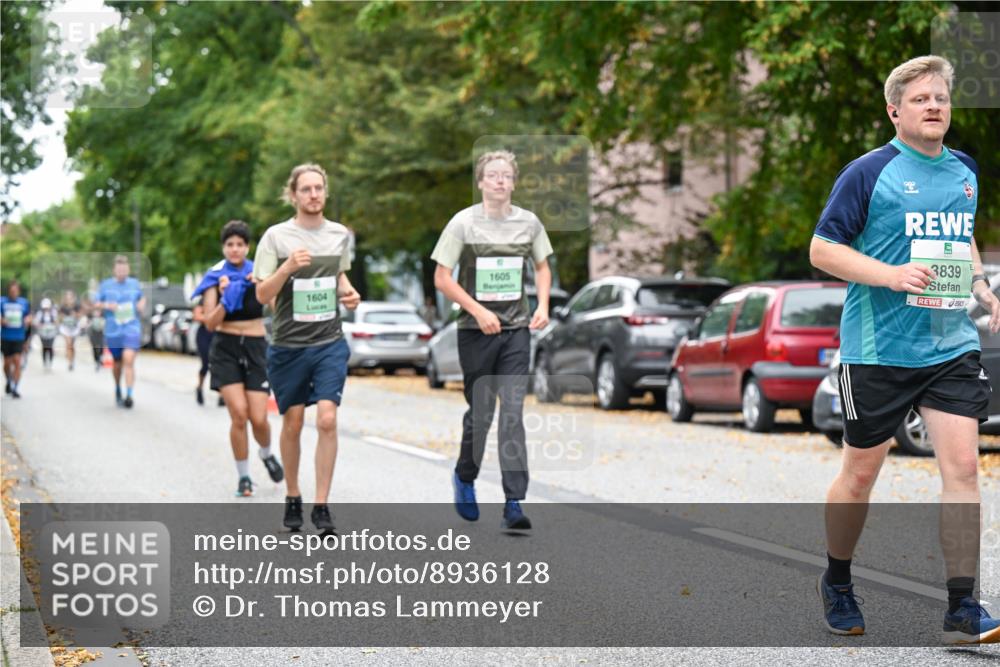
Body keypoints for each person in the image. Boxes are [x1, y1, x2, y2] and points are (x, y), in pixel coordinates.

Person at [810, 55, 1000, 644]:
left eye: (941, 97)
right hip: (877, 349)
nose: (935, 106)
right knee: (861, 475)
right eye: (921, 99)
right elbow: (822, 249)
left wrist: (980, 286)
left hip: (950, 345)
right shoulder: (868, 173)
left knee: (964, 469)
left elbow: (961, 231)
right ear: (895, 111)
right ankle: (837, 581)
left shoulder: (964, 170)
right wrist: (890, 275)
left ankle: (962, 606)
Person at [431, 149, 554, 530]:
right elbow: (442, 277)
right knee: (481, 415)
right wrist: (478, 311)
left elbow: (543, 266)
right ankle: (465, 476)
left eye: (506, 176)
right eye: (493, 175)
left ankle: (513, 502)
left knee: (513, 414)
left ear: (513, 183)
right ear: (481, 182)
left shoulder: (529, 223)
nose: (500, 180)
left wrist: (543, 304)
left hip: (516, 331)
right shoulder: (462, 224)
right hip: (475, 333)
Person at [254, 164, 360, 533]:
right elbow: (262, 293)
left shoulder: (338, 235)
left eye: (319, 188)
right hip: (288, 346)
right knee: (294, 422)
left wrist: (348, 294)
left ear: (325, 193)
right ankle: (294, 495)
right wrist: (285, 269)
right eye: (306, 189)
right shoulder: (276, 237)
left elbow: (339, 276)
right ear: (294, 195)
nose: (313, 195)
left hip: (328, 341)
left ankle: (322, 506)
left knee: (327, 418)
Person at [192, 220, 284, 497]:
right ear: (224, 247)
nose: (235, 249)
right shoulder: (214, 277)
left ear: (247, 247)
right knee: (239, 414)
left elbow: (277, 308)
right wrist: (225, 298)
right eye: (230, 244)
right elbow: (209, 323)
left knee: (259, 417)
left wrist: (261, 286)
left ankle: (266, 454)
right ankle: (244, 477)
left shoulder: (259, 272)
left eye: (240, 244)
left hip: (255, 346)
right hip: (225, 347)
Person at [95, 256, 145, 408]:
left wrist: (140, 305)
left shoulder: (134, 284)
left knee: (128, 359)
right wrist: (107, 305)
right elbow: (96, 304)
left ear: (128, 269)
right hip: (113, 331)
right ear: (114, 270)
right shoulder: (106, 285)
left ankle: (129, 395)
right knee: (117, 364)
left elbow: (142, 299)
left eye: (125, 269)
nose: (122, 272)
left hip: (131, 328)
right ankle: (118, 388)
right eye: (119, 269)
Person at [1, 280, 32, 398]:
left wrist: (28, 319)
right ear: (8, 291)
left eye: (15, 291)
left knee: (17, 361)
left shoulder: (24, 303)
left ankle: (15, 387)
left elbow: (29, 315)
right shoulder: (2, 302)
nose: (13, 292)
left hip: (19, 337)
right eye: (11, 290)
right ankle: (9, 380)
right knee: (7, 363)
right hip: (5, 336)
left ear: (18, 291)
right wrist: (2, 320)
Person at [191, 299, 213, 405]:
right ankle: (199, 388)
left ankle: (222, 395)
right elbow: (196, 316)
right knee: (205, 364)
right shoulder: (204, 299)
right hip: (205, 334)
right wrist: (214, 318)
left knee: (220, 364)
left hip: (219, 334)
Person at [58, 290, 83, 371]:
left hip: (74, 328)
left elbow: (80, 315)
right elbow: (59, 317)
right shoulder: (62, 306)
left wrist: (75, 314)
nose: (69, 299)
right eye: (67, 297)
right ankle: (69, 362)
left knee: (72, 345)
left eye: (70, 297)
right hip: (65, 328)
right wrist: (64, 317)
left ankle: (72, 360)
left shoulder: (77, 306)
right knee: (68, 343)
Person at [35, 298, 59, 369]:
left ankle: (50, 361)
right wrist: (41, 325)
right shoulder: (40, 313)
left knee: (50, 347)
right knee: (44, 347)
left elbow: (56, 322)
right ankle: (45, 362)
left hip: (52, 333)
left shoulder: (53, 313)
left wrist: (53, 324)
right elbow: (37, 322)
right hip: (42, 333)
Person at [85, 303, 105, 371]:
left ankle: (100, 359)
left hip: (101, 334)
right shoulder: (90, 316)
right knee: (95, 348)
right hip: (93, 334)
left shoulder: (104, 315)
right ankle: (97, 361)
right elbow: (86, 324)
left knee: (101, 347)